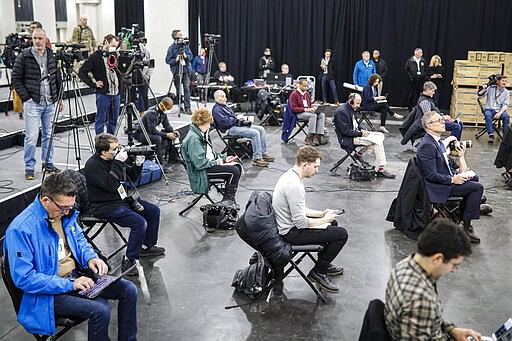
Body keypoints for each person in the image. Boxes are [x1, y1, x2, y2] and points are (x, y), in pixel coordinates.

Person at [3, 172, 138, 340]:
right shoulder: (21, 229)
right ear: (46, 200)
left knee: (129, 290)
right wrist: (71, 284)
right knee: (100, 309)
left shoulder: (64, 214)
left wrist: (91, 258)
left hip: (77, 277)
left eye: (70, 207)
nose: (67, 212)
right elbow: (24, 279)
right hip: (48, 293)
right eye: (63, 208)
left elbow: (80, 240)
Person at [385, 219, 482, 341]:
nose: (454, 270)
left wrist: (452, 330)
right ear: (437, 259)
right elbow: (422, 311)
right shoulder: (420, 300)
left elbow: (426, 318)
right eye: (454, 264)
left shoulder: (404, 265)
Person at [84, 133, 166, 276]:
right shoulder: (93, 165)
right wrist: (118, 162)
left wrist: (138, 165)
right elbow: (110, 184)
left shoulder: (114, 160)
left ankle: (146, 246)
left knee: (153, 211)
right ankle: (130, 259)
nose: (118, 151)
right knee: (139, 223)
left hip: (122, 200)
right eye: (114, 149)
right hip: (104, 205)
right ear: (104, 152)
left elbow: (132, 177)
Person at [272, 146, 348, 293]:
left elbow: (299, 210)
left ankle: (323, 263)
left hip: (289, 226)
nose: (317, 171)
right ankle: (319, 271)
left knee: (333, 223)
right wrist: (324, 219)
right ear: (305, 164)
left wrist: (322, 214)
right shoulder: (295, 186)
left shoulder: (291, 175)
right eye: (315, 167)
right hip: (291, 233)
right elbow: (300, 223)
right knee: (341, 234)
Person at [416, 111, 484, 243]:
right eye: (439, 121)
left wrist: (458, 167)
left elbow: (444, 166)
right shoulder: (427, 146)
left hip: (444, 179)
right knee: (477, 188)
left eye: (442, 120)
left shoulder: (436, 142)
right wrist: (452, 179)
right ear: (429, 126)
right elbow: (430, 175)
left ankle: (462, 215)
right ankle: (466, 225)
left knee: (474, 179)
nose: (443, 123)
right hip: (437, 187)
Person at [11, 28, 64, 180]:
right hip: (33, 103)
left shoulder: (51, 55)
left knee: (49, 134)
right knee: (32, 137)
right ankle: (29, 167)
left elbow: (57, 78)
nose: (37, 41)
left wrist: (60, 98)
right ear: (31, 39)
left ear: (46, 39)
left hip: (50, 102)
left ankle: (48, 163)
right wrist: (26, 97)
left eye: (40, 38)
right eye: (35, 38)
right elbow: (16, 79)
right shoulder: (24, 56)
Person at [181, 108, 242, 206]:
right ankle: (228, 200)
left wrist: (224, 158)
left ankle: (228, 199)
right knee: (234, 171)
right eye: (208, 123)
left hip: (207, 166)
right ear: (202, 123)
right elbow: (199, 164)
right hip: (201, 173)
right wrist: (216, 162)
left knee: (236, 167)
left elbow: (210, 153)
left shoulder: (200, 134)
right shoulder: (194, 139)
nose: (209, 126)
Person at [334, 93, 396, 179]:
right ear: (350, 101)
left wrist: (362, 129)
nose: (359, 106)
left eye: (360, 103)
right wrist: (361, 133)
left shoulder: (351, 109)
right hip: (348, 139)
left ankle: (359, 153)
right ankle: (380, 169)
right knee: (377, 142)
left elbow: (355, 124)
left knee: (380, 135)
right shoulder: (341, 112)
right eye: (357, 103)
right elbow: (345, 131)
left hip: (355, 135)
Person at [211, 89, 274, 167]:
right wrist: (236, 118)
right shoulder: (217, 110)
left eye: (225, 96)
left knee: (261, 129)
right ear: (216, 98)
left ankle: (263, 153)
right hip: (230, 129)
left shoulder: (224, 107)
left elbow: (231, 118)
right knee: (255, 133)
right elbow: (226, 123)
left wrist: (238, 118)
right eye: (222, 97)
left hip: (235, 125)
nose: (225, 98)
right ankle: (257, 159)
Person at [78, 34, 120, 135]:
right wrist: (93, 84)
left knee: (113, 120)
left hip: (116, 93)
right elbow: (82, 72)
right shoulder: (95, 57)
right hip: (103, 94)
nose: (114, 48)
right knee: (101, 120)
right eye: (113, 46)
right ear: (106, 42)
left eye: (116, 46)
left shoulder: (115, 55)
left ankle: (111, 143)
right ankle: (100, 144)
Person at [134, 97, 180, 171]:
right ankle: (160, 163)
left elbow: (166, 125)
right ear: (162, 106)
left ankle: (173, 158)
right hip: (141, 134)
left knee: (171, 135)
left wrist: (172, 131)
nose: (168, 110)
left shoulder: (162, 112)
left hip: (150, 132)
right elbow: (152, 131)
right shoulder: (152, 113)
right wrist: (167, 135)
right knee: (157, 138)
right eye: (168, 108)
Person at [289, 79, 326, 146]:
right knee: (313, 116)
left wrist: (314, 108)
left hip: (307, 112)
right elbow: (293, 108)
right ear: (299, 85)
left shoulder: (307, 94)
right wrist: (306, 110)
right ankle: (310, 137)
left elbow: (309, 105)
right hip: (298, 114)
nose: (306, 88)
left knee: (321, 115)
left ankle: (317, 136)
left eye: (307, 86)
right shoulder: (294, 94)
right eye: (304, 86)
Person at [165, 29, 193, 115]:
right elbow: (167, 60)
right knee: (178, 89)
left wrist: (185, 55)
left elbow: (191, 57)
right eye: (180, 35)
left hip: (185, 70)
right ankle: (180, 106)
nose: (182, 36)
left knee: (186, 88)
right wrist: (175, 60)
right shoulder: (171, 48)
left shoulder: (186, 46)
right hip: (176, 71)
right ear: (175, 37)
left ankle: (187, 107)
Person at [477, 74, 510, 144]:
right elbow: (479, 96)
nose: (504, 83)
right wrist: (484, 88)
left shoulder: (506, 92)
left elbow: (506, 105)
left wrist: (500, 113)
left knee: (506, 116)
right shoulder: (491, 88)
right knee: (488, 115)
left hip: (499, 110)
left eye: (506, 81)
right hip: (489, 109)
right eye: (503, 81)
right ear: (498, 82)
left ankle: (506, 136)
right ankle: (491, 135)